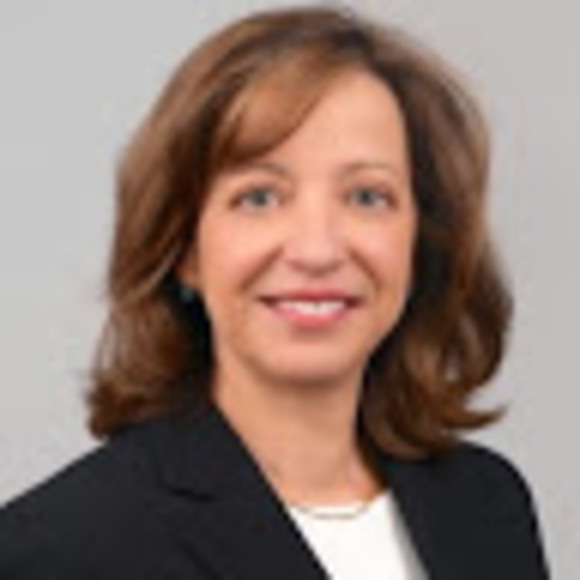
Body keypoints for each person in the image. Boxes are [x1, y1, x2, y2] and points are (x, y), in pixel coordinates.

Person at [0, 5, 549, 579]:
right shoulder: (58, 551)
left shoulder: (486, 504)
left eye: (367, 196)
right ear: (184, 248)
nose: (317, 249)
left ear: (421, 238)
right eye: (259, 198)